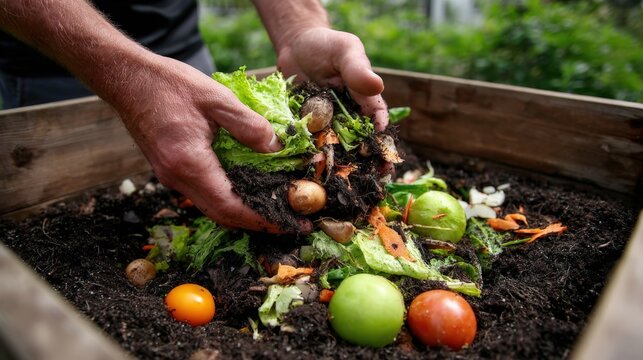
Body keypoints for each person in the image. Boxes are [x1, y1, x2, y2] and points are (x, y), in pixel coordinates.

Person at [0, 0, 389, 234]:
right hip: (57, 61)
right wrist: (129, 77)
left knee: (209, 171)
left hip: (183, 50)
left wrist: (298, 28)